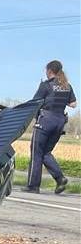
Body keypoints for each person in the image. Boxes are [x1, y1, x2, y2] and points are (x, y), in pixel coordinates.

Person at [26, 60, 76, 194]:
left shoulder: (46, 85)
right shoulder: (67, 86)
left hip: (45, 121)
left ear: (49, 71)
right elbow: (73, 104)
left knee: (36, 153)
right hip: (59, 122)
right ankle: (60, 179)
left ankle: (33, 186)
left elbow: (34, 103)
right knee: (46, 153)